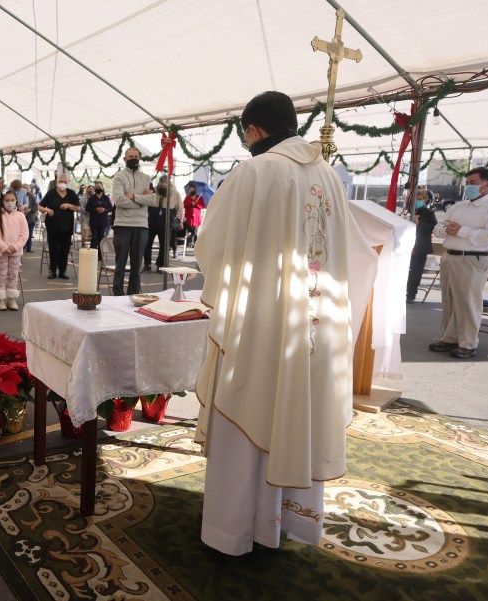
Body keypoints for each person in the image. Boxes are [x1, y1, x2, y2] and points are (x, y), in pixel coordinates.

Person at [193, 90, 376, 556]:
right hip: (313, 328)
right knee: (296, 412)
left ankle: (234, 530)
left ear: (254, 131)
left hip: (261, 327)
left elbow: (212, 243)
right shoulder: (329, 176)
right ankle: (290, 522)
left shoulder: (253, 172)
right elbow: (356, 253)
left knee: (247, 408)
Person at [428, 167, 488, 359]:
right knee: (449, 299)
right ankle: (450, 337)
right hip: (450, 256)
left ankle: (468, 343)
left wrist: (461, 230)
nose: (468, 187)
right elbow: (438, 227)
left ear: (487, 185)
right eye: (467, 184)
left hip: (473, 258)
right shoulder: (459, 206)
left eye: (473, 183)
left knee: (468, 302)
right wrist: (446, 230)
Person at [110, 147, 157, 295]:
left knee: (137, 265)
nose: (133, 159)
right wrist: (141, 200)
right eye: (130, 156)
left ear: (139, 158)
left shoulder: (147, 178)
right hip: (122, 225)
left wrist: (133, 196)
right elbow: (119, 200)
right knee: (120, 264)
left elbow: (152, 199)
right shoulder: (118, 177)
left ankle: (133, 294)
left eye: (136, 156)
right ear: (124, 159)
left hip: (141, 226)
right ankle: (118, 296)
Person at [0, 191, 29, 310]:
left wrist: (16, 247)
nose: (10, 202)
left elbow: (25, 234)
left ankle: (12, 300)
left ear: (16, 200)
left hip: (15, 252)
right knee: (1, 275)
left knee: (13, 275)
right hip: (2, 251)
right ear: (2, 201)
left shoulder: (20, 216)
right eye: (7, 200)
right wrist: (4, 247)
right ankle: (1, 299)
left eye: (12, 200)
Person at [38, 172, 78, 280]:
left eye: (65, 182)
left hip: (67, 227)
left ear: (68, 183)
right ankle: (52, 270)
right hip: (53, 227)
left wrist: (68, 205)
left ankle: (62, 271)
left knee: (65, 250)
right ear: (57, 182)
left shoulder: (71, 193)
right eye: (61, 182)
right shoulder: (51, 193)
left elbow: (77, 207)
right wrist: (47, 210)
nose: (63, 184)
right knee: (53, 249)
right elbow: (40, 206)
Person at [142, 174, 183, 271]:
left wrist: (173, 217)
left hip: (166, 222)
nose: (162, 188)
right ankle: (147, 264)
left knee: (164, 245)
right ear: (158, 184)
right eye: (161, 186)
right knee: (147, 244)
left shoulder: (175, 193)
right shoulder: (153, 190)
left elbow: (179, 208)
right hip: (151, 221)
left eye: (165, 187)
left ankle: (160, 265)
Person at [406, 187, 437, 303]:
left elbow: (433, 228)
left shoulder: (429, 213)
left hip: (420, 248)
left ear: (425, 200)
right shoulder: (408, 210)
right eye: (416, 198)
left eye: (420, 199)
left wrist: (419, 224)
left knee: (415, 272)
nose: (418, 201)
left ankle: (411, 294)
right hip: (406, 245)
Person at [11, 180, 38, 252]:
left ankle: (28, 247)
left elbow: (35, 206)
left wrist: (27, 208)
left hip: (29, 217)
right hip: (16, 215)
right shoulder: (11, 192)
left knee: (28, 233)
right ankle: (21, 247)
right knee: (18, 233)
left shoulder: (30, 195)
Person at [85, 182, 112, 253]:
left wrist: (104, 209)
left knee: (101, 238)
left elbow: (110, 208)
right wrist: (95, 209)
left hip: (103, 222)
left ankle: (101, 256)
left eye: (99, 187)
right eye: (96, 187)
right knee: (94, 238)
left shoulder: (106, 198)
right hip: (94, 222)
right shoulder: (92, 198)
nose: (98, 188)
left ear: (102, 188)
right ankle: (92, 255)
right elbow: (87, 208)